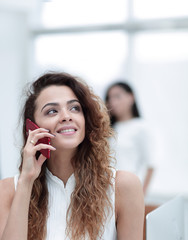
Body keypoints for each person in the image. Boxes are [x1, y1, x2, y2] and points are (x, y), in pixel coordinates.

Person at [0, 72, 144, 240]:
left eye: (75, 108)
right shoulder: (8, 190)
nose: (66, 116)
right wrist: (26, 180)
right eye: (52, 111)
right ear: (32, 128)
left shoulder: (123, 186)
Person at [105, 81, 155, 195]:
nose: (112, 102)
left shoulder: (141, 127)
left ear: (131, 97)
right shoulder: (109, 129)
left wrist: (141, 195)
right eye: (109, 98)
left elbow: (151, 164)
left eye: (117, 96)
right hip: (107, 191)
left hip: (129, 191)